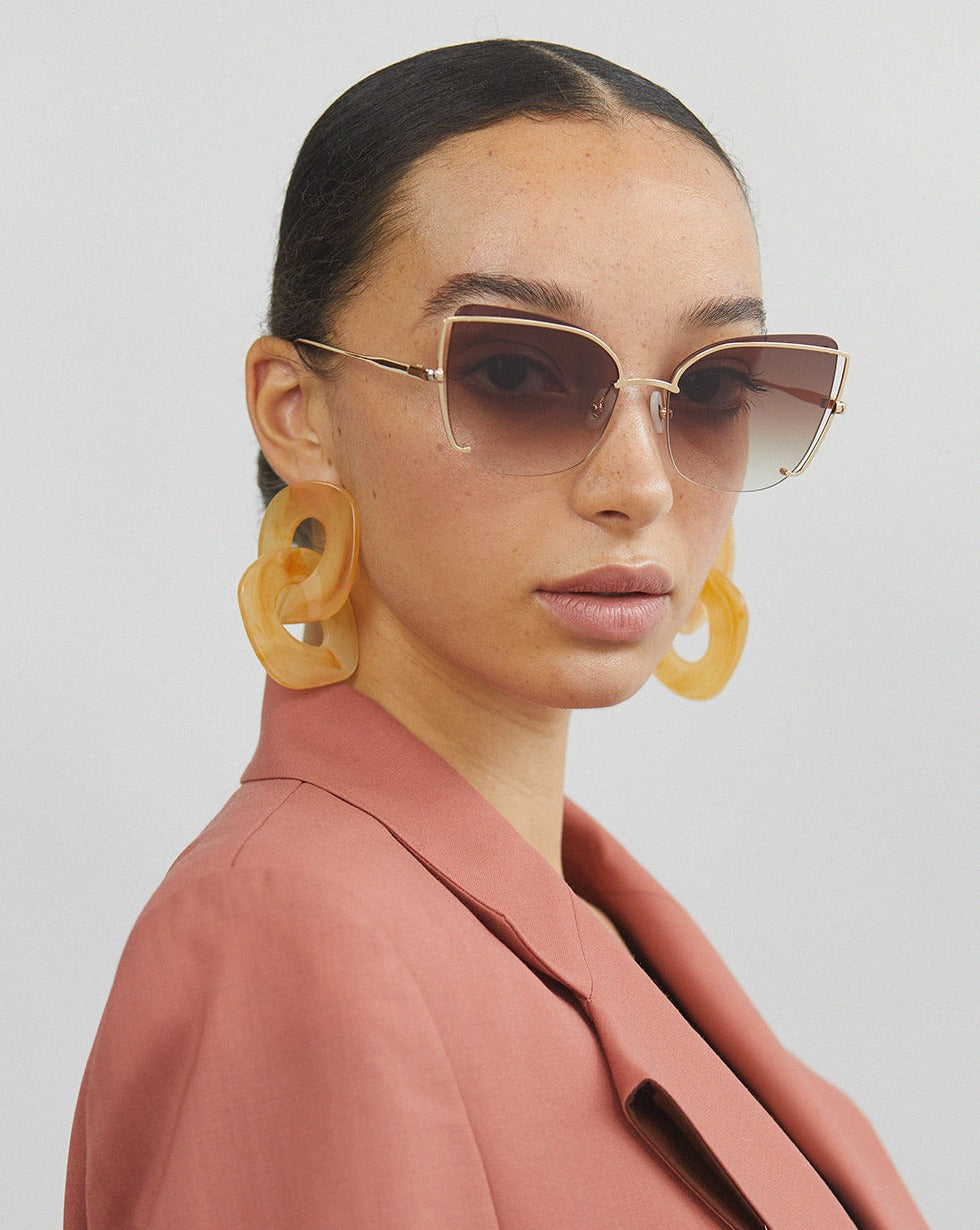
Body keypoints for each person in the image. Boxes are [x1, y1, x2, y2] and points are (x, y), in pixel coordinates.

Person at [64, 39, 927, 1229]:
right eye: (514, 368)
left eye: (714, 387)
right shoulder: (293, 938)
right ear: (296, 413)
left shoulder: (588, 918)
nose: (639, 485)